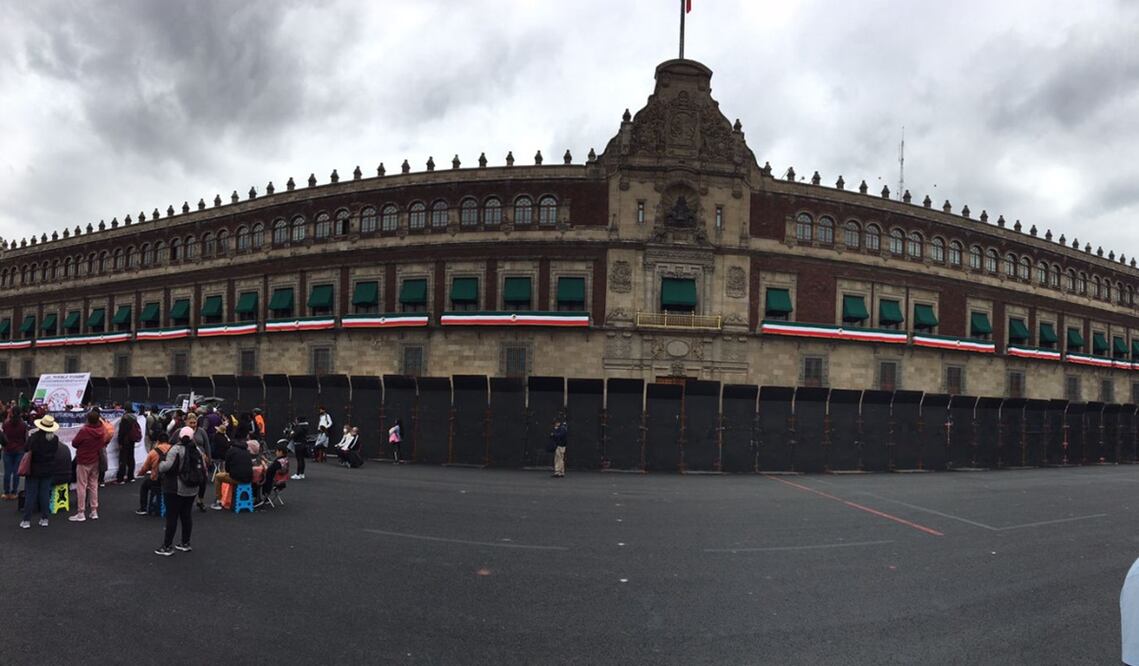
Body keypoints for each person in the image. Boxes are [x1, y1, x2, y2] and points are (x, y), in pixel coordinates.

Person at [155, 427, 205, 556]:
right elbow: (203, 468)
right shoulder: (197, 450)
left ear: (179, 436)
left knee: (172, 516)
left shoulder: (176, 449)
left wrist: (160, 462)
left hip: (175, 487)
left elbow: (166, 467)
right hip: (192, 488)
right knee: (186, 515)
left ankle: (167, 546)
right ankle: (185, 543)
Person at [20, 414, 61, 529]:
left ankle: (26, 520)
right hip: (48, 469)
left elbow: (26, 448)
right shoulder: (55, 439)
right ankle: (44, 518)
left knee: (31, 495)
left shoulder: (34, 437)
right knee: (44, 494)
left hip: (34, 469)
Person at [70, 410, 110, 522]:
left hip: (83, 460)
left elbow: (74, 443)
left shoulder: (84, 431)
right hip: (95, 460)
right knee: (93, 485)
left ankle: (81, 512)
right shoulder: (101, 430)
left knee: (81, 486)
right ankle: (94, 510)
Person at [209, 438, 253, 510]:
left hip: (236, 478)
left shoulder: (231, 451)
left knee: (218, 477)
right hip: (248, 478)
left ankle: (218, 500)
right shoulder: (247, 451)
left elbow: (227, 468)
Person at [135, 432, 173, 515]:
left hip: (157, 480)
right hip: (171, 480)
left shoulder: (153, 452)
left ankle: (143, 508)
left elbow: (145, 468)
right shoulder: (174, 449)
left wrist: (140, 474)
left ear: (158, 441)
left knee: (144, 486)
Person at [2, 408, 28, 500]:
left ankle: (6, 492)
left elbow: (3, 436)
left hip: (8, 449)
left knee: (7, 472)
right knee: (16, 472)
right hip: (19, 449)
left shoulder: (6, 424)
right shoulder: (23, 425)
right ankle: (14, 492)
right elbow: (25, 438)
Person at [114, 406, 142, 484]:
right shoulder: (134, 418)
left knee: (123, 459)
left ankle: (120, 478)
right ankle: (131, 476)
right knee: (131, 458)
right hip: (132, 440)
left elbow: (122, 432)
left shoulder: (125, 418)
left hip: (125, 441)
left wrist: (120, 442)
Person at [290, 415, 309, 480]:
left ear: (299, 420)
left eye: (296, 419)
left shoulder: (299, 428)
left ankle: (298, 474)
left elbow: (293, 435)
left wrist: (292, 431)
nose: (295, 421)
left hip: (298, 444)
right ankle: (302, 474)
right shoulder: (305, 427)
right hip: (303, 444)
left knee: (299, 459)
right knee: (302, 459)